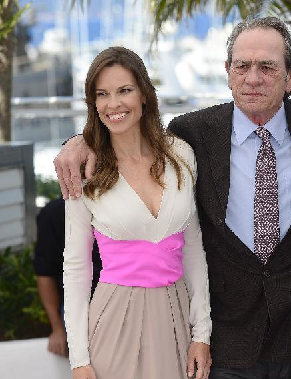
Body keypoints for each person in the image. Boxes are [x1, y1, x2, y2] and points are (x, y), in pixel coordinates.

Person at [54, 18, 291, 378]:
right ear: (228, 72)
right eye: (242, 66)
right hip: (228, 341)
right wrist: (79, 141)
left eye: (267, 67)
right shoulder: (192, 134)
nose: (253, 77)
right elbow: (124, 130)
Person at [62, 46, 211, 379]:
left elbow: (194, 248)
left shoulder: (181, 155)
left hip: (176, 314)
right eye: (102, 94)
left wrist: (201, 333)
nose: (113, 104)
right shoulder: (85, 171)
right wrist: (79, 359)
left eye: (124, 90)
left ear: (144, 93)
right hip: (113, 320)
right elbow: (76, 267)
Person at [33, 197, 101, 358]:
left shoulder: (124, 206)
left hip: (126, 301)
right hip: (80, 308)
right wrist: (57, 329)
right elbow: (45, 273)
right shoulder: (55, 213)